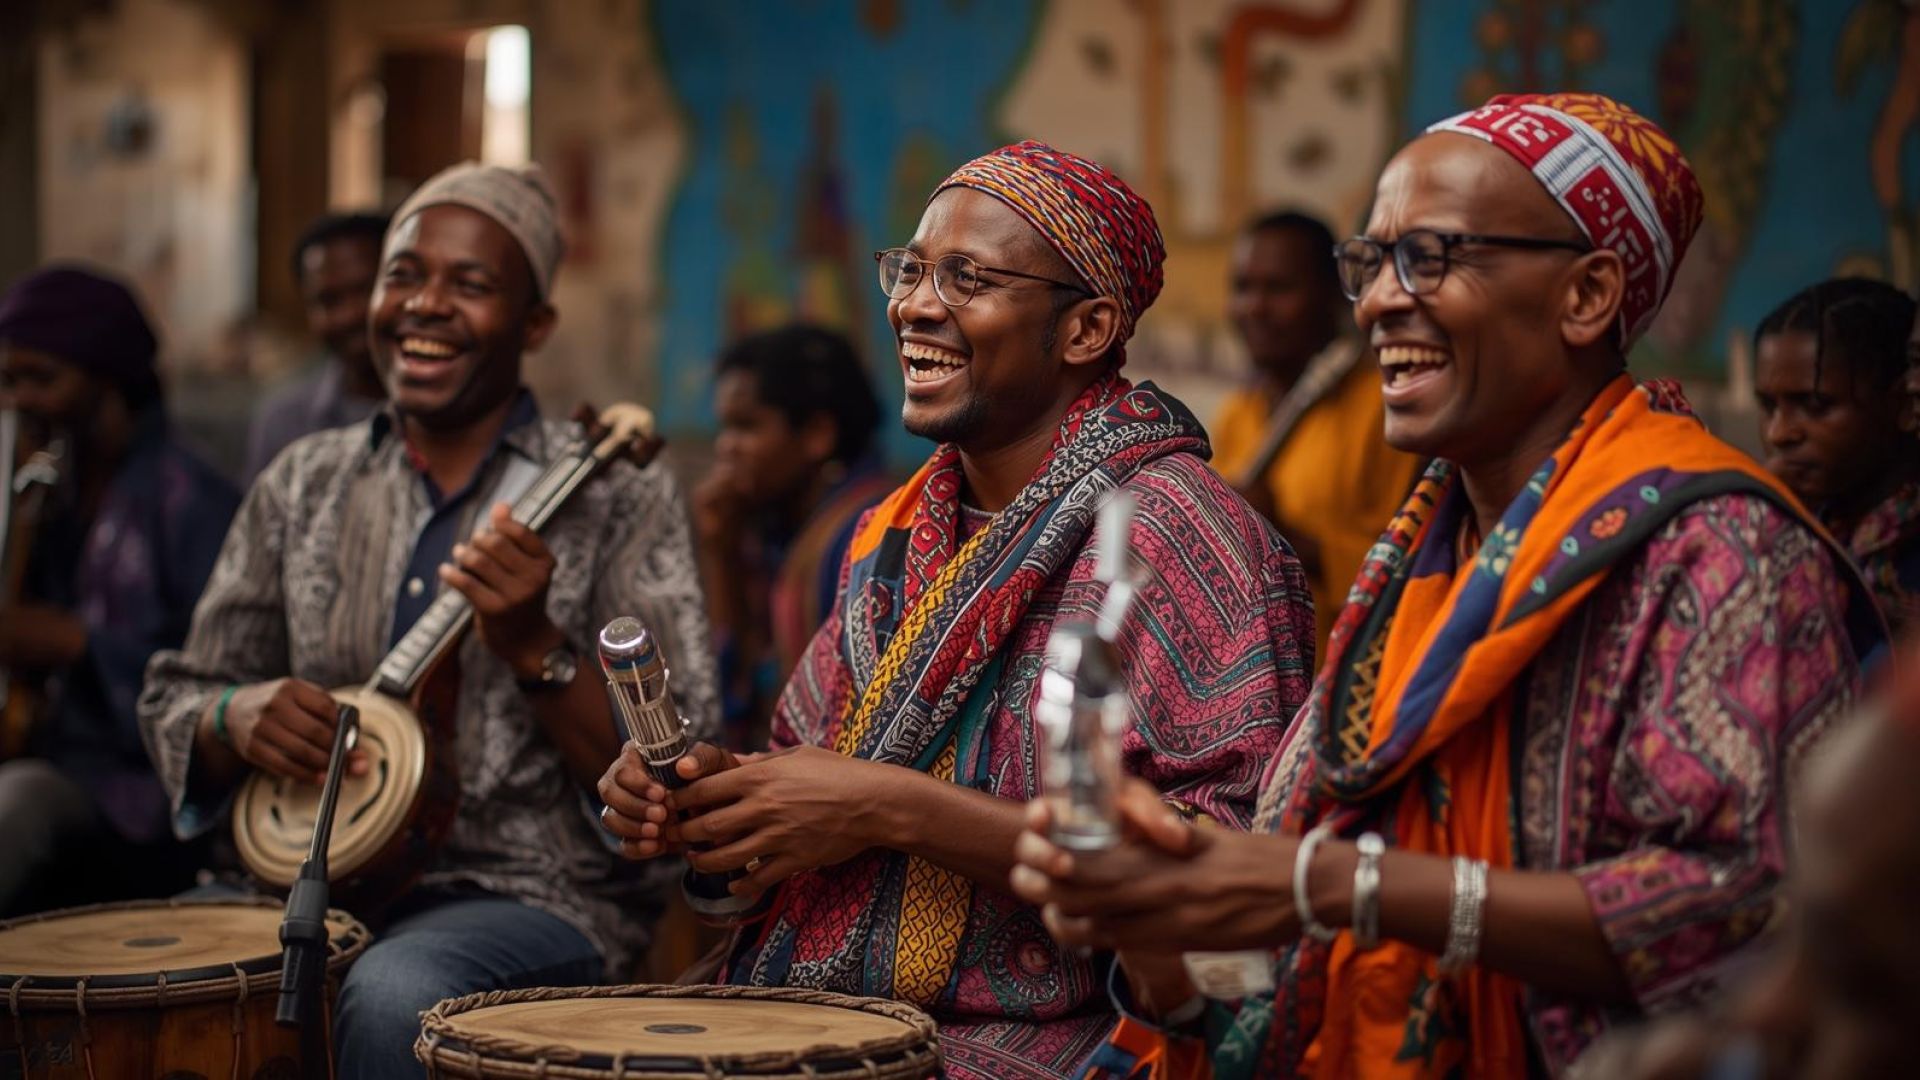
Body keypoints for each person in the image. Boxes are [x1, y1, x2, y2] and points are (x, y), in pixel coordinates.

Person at [1008, 93, 1885, 1077]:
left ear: (1588, 295)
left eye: (1431, 256)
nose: (1380, 299)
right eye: (1370, 261)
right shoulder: (1418, 564)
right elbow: (1274, 983)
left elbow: (1740, 914)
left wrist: (1339, 883)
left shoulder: (1720, 554)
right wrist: (1158, 918)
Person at [599, 141, 1317, 1079]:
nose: (914, 305)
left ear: (1088, 327)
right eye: (912, 269)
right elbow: (810, 786)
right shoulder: (890, 536)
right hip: (833, 1013)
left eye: (967, 277)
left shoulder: (1190, 541)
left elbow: (1227, 885)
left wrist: (890, 808)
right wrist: (719, 803)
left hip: (1066, 1043)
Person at [138, 162, 716, 1077]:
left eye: (471, 284)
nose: (425, 305)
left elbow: (672, 781)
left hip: (523, 888)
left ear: (534, 326)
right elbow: (181, 696)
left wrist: (535, 647)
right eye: (403, 275)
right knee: (144, 975)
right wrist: (231, 716)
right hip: (290, 878)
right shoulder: (302, 481)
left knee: (398, 991)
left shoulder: (619, 492)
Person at [0, 265, 239, 915]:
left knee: (13, 808)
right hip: (49, 748)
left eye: (40, 380)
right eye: (9, 381)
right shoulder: (46, 492)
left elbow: (225, 686)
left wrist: (75, 642)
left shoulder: (194, 501)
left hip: (140, 796)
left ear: (108, 380)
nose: (20, 400)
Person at [1209, 211, 1424, 652]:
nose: (1254, 307)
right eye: (1243, 288)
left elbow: (1415, 568)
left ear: (1332, 297)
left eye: (1279, 288)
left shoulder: (1387, 410)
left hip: (1352, 677)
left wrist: (1283, 536)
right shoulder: (1236, 416)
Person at [694, 323, 889, 749]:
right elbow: (730, 690)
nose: (726, 448)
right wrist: (722, 554)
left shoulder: (863, 536)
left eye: (746, 427)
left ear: (817, 434)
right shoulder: (773, 528)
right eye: (724, 428)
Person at [1754, 278, 1920, 637]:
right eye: (1768, 407)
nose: (1778, 433)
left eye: (1815, 405)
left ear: (1904, 406)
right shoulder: (1792, 530)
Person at [244, 211, 390, 484]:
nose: (351, 314)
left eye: (366, 291)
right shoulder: (285, 424)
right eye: (328, 301)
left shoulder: (445, 413)